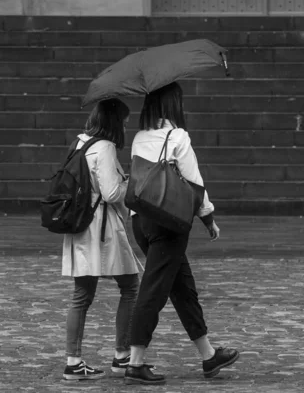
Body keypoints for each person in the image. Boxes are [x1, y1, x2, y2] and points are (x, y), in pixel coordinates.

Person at [124, 82, 239, 385]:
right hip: (168, 224)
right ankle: (135, 362)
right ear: (173, 105)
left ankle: (208, 356)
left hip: (141, 223)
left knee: (182, 288)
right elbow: (194, 184)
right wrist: (208, 220)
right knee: (153, 291)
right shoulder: (178, 137)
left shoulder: (139, 138)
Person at [61, 99, 143, 380]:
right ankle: (122, 356)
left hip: (80, 226)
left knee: (81, 295)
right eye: (124, 120)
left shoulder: (80, 143)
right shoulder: (105, 148)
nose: (126, 125)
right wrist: (128, 183)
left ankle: (74, 360)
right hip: (101, 229)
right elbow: (110, 193)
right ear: (114, 121)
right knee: (131, 286)